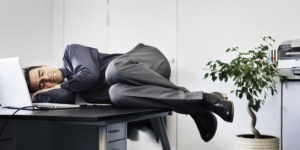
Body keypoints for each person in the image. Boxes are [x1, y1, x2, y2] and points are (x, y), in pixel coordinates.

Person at [23, 43, 234, 142]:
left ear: (44, 64)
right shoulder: (68, 93)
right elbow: (60, 98)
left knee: (114, 71)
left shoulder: (71, 54)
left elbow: (88, 75)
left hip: (149, 61)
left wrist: (60, 85)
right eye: (42, 84)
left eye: (42, 72)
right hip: (146, 85)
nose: (47, 79)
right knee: (116, 94)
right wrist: (34, 96)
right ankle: (202, 101)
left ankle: (194, 99)